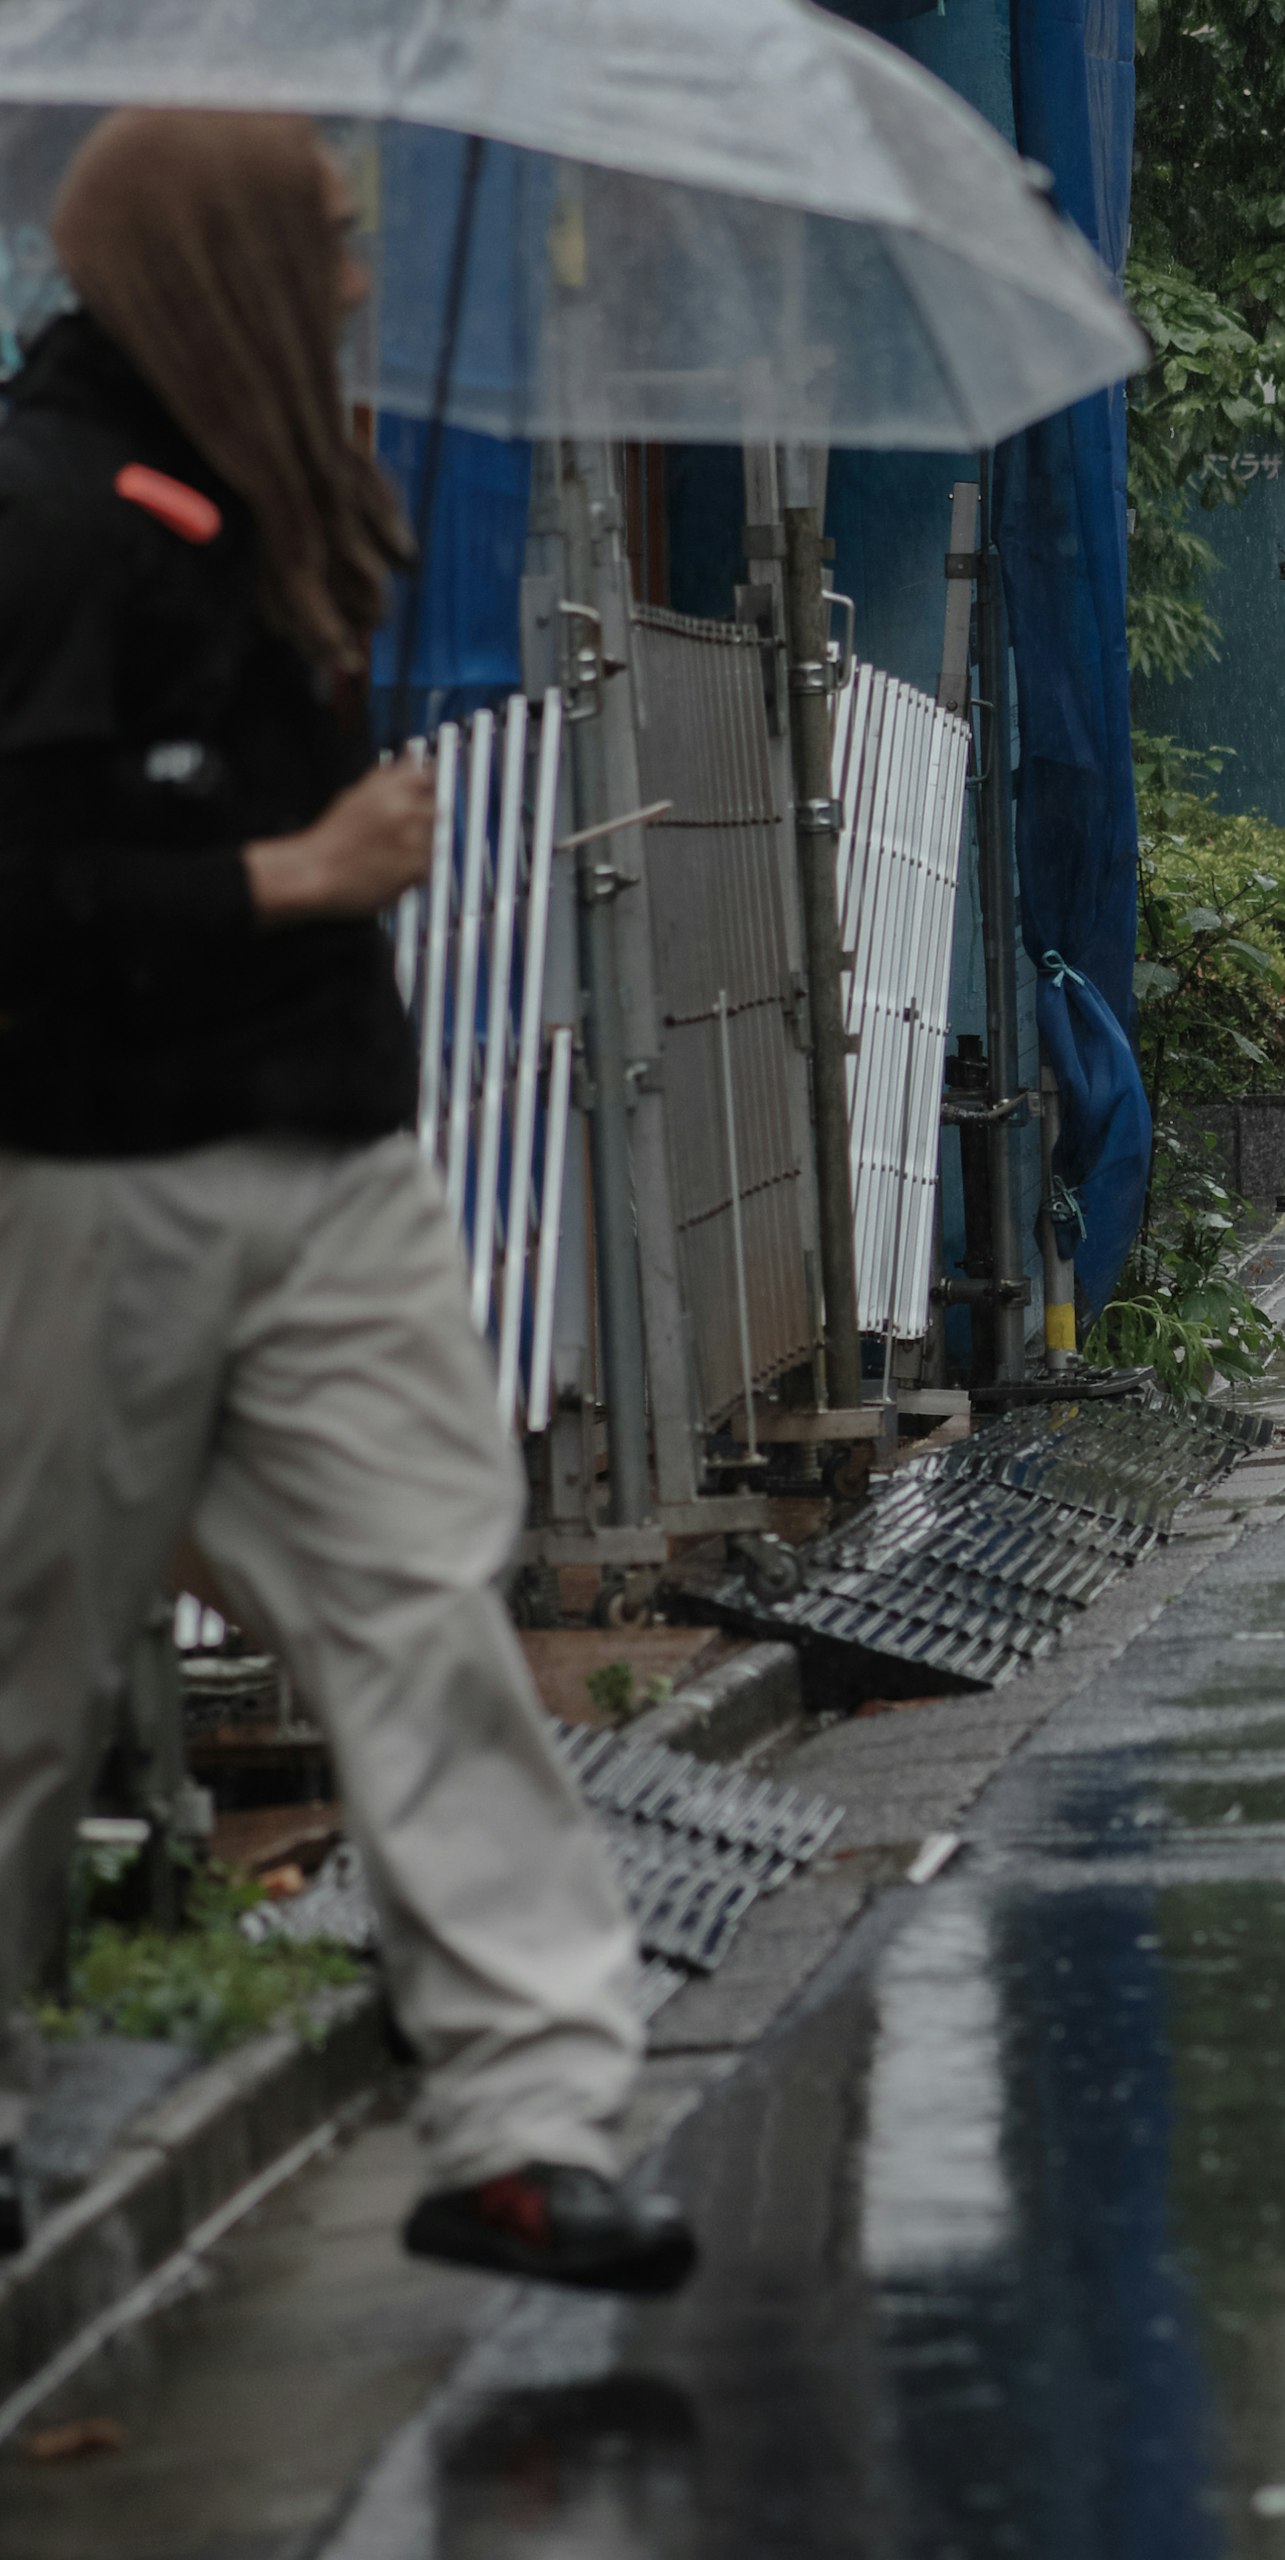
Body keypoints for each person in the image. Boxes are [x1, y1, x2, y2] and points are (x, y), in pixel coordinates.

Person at [0, 111, 691, 2291]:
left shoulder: (271, 496)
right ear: (204, 266)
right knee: (24, 1674)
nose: (364, 279)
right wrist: (284, 871)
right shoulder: (33, 518)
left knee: (422, 1610)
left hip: (328, 1173)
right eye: (321, 241)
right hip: (79, 1180)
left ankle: (527, 2114)